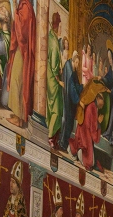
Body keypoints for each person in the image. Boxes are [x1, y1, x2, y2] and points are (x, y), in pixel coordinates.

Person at [1, 0, 35, 128]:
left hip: (22, 50)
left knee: (17, 80)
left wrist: (15, 10)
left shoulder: (26, 6)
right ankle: (17, 115)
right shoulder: (25, 6)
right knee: (17, 80)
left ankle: (19, 118)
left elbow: (23, 33)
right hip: (21, 50)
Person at [69, 92, 106, 171]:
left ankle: (78, 150)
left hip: (81, 132)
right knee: (90, 163)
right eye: (103, 101)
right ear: (98, 98)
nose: (103, 104)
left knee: (92, 160)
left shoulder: (91, 104)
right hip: (85, 136)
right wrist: (99, 124)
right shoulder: (93, 108)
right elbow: (93, 134)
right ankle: (81, 153)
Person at [46, 13, 63, 147]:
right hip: (53, 79)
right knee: (56, 110)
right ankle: (51, 137)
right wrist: (58, 79)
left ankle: (52, 137)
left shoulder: (52, 37)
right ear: (58, 25)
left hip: (51, 76)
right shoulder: (53, 41)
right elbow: (53, 63)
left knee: (53, 109)